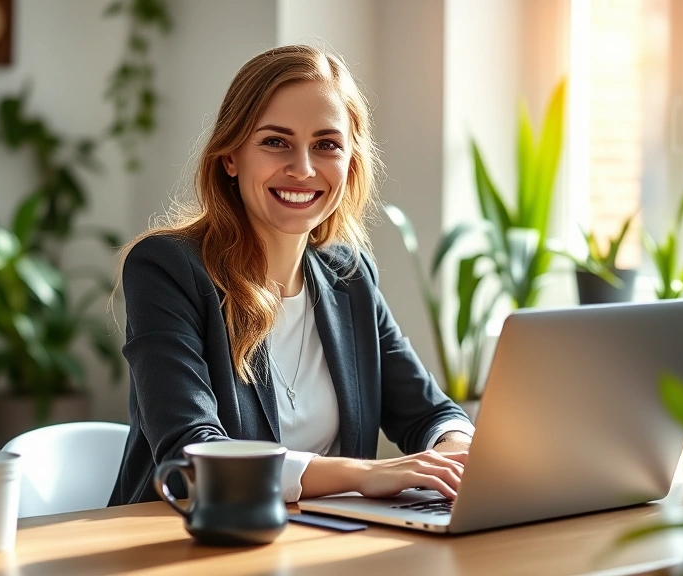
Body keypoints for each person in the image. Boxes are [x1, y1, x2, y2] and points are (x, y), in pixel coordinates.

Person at [108, 44, 474, 507]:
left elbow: (430, 412)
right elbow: (191, 458)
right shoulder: (166, 269)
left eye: (327, 145)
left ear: (350, 162)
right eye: (276, 141)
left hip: (326, 545)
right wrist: (361, 474)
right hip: (187, 546)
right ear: (230, 157)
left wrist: (456, 452)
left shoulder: (350, 277)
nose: (303, 169)